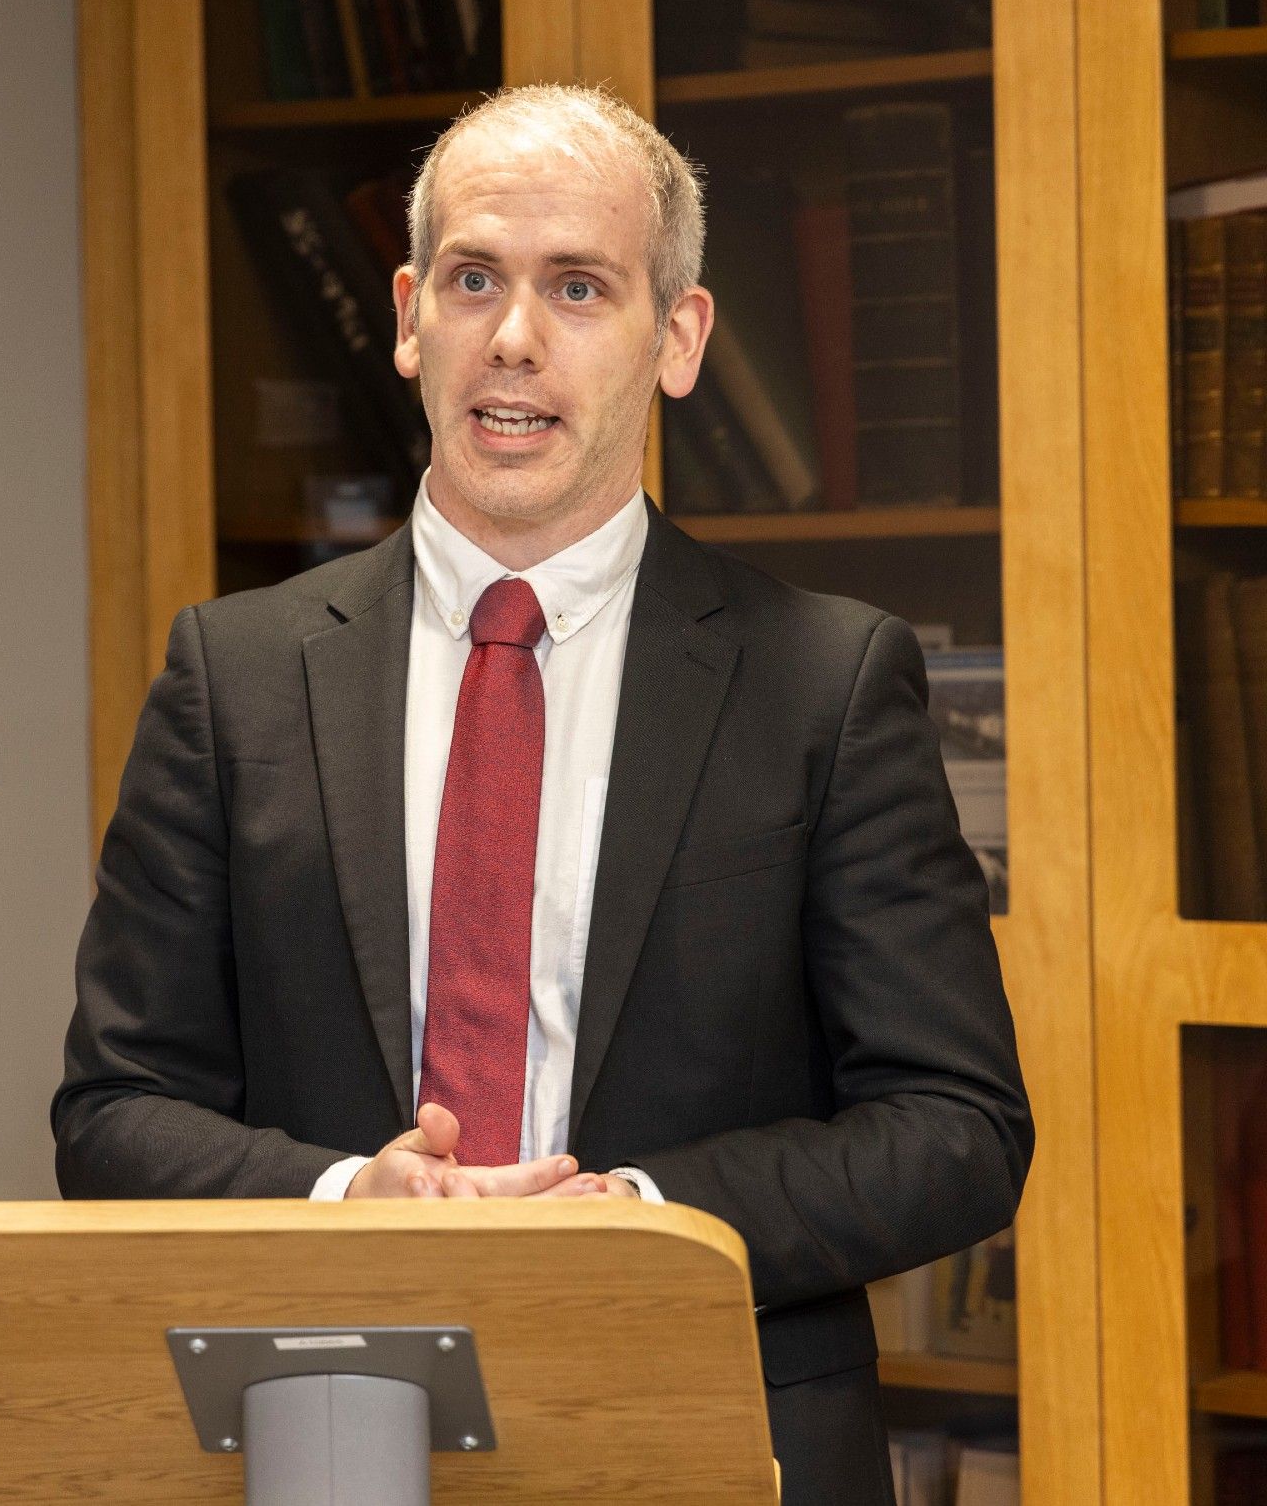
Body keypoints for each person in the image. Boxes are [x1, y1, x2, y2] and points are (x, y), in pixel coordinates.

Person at [53, 83, 1031, 1503]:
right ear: (407, 315)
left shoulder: (824, 680)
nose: (514, 337)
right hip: (332, 1424)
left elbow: (955, 1126)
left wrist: (635, 1222)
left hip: (708, 1425)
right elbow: (115, 1107)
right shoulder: (236, 676)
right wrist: (349, 1199)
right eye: (473, 279)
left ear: (677, 338)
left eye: (580, 286)